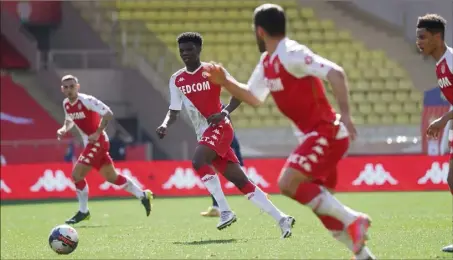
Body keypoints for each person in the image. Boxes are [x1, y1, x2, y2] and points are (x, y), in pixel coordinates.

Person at [204, 4, 375, 259]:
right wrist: (226, 82)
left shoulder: (291, 53)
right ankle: (363, 255)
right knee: (322, 208)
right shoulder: (268, 61)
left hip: (326, 132)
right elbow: (253, 97)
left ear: (259, 31)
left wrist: (346, 117)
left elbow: (336, 74)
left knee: (287, 183)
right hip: (314, 136)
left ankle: (355, 219)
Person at [156, 32, 295, 237]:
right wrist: (165, 124)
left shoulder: (212, 71)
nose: (185, 54)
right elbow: (174, 110)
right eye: (182, 50)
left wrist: (224, 112)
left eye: (190, 50)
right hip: (204, 133)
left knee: (198, 161)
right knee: (241, 181)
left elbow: (238, 93)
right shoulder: (177, 79)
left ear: (199, 50)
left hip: (221, 127)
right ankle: (282, 219)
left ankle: (225, 211)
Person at [57, 75, 153, 225]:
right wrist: (63, 129)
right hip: (91, 144)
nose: (69, 89)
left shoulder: (87, 100)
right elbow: (69, 120)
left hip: (98, 142)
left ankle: (83, 211)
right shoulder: (66, 104)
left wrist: (97, 131)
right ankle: (143, 195)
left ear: (78, 86)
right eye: (66, 87)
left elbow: (108, 113)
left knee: (76, 175)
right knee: (112, 177)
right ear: (62, 89)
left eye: (72, 86)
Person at [415, 13, 453, 253]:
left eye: (423, 37)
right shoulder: (440, 67)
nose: (418, 41)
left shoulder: (451, 61)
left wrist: (443, 120)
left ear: (437, 37)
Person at [201, 104, 245, 217]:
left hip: (224, 147)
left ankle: (261, 197)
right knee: (212, 175)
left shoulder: (220, 107)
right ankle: (216, 207)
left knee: (239, 178)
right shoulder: (204, 106)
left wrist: (238, 158)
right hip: (215, 145)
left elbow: (231, 133)